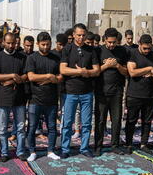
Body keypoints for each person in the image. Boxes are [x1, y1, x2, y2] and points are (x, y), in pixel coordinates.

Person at [59, 23, 100, 158]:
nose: (81, 38)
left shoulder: (91, 50)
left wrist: (85, 72)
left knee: (87, 123)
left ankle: (84, 147)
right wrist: (78, 71)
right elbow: (63, 70)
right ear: (74, 35)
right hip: (70, 92)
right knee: (67, 122)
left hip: (87, 92)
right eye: (78, 35)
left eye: (83, 35)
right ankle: (65, 148)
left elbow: (97, 70)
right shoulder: (67, 49)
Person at [25, 32, 62, 161]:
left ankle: (50, 150)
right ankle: (32, 151)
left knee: (52, 127)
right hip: (35, 99)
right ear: (38, 44)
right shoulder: (32, 58)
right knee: (32, 127)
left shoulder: (56, 58)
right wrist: (48, 76)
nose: (46, 47)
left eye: (48, 44)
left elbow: (60, 77)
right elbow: (31, 77)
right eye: (43, 44)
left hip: (51, 99)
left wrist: (51, 79)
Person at [0, 32, 28, 162]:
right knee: (2, 128)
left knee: (20, 127)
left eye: (13, 43)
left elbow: (25, 76)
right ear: (3, 42)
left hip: (19, 97)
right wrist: (12, 75)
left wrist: (11, 81)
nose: (11, 45)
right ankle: (4, 152)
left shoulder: (22, 57)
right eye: (8, 43)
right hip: (3, 98)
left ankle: (20, 151)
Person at [93, 28, 128, 156]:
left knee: (117, 119)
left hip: (117, 91)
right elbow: (95, 71)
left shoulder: (122, 51)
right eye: (109, 42)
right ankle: (98, 146)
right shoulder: (98, 51)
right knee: (100, 120)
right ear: (104, 40)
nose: (111, 45)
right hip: (101, 91)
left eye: (114, 42)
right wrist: (106, 65)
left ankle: (115, 145)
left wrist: (117, 65)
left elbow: (126, 72)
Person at [124, 34, 153, 153]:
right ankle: (128, 143)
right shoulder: (133, 53)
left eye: (149, 48)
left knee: (147, 121)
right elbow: (132, 72)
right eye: (144, 48)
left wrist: (152, 72)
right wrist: (148, 69)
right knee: (131, 120)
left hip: (150, 94)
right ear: (139, 44)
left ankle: (143, 143)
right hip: (134, 94)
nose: (147, 51)